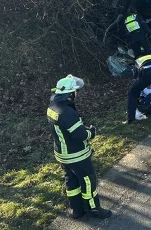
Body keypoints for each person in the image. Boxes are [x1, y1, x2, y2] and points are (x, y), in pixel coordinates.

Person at [46, 75, 112, 220]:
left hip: (62, 154)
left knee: (71, 180)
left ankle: (77, 210)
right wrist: (91, 132)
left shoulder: (52, 107)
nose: (76, 94)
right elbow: (80, 134)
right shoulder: (67, 113)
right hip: (76, 155)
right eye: (75, 92)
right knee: (88, 180)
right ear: (70, 94)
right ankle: (94, 209)